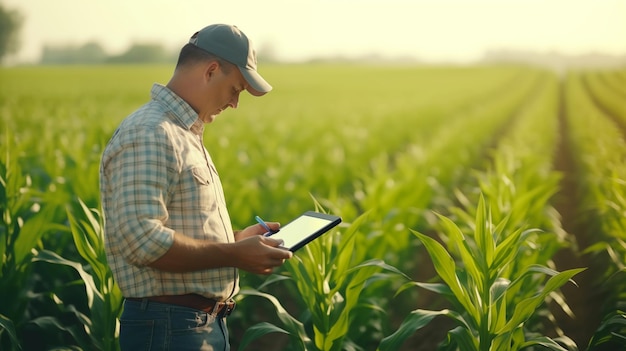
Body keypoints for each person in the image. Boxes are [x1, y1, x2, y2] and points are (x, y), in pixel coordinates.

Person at [99, 24, 293, 351]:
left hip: (190, 326)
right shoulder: (151, 132)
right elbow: (140, 240)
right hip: (170, 327)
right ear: (212, 71)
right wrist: (233, 254)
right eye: (236, 89)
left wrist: (234, 242)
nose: (235, 104)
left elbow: (174, 232)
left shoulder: (181, 134)